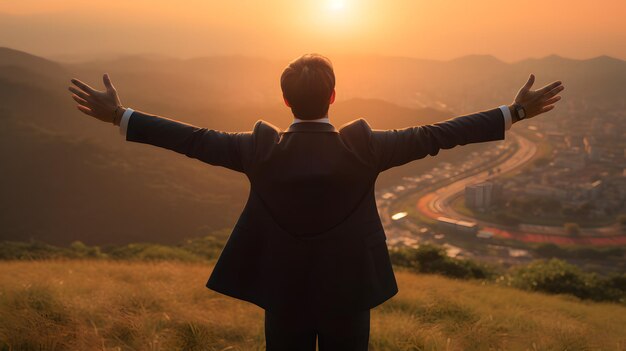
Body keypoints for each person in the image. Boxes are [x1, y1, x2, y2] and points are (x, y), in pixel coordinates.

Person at [68, 53, 564, 350]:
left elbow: (191, 138)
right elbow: (440, 134)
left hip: (280, 283)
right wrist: (516, 110)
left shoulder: (257, 150)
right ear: (333, 97)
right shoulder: (365, 147)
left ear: (286, 101)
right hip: (350, 284)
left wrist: (120, 116)